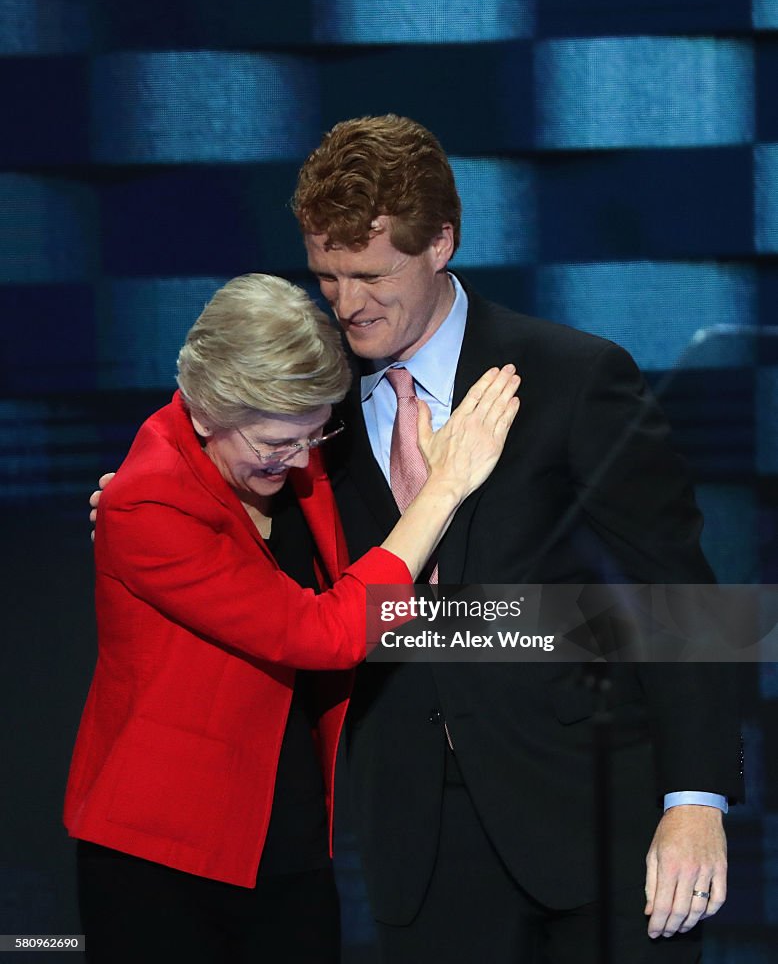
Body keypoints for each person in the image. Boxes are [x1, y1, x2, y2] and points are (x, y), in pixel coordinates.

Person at [288, 115, 743, 963]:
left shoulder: (573, 378)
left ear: (441, 243)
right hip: (418, 843)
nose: (347, 304)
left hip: (595, 822)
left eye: (370, 274)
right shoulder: (310, 407)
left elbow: (681, 595)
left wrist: (695, 799)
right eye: (326, 276)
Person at [66, 271, 520, 964]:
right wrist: (447, 487)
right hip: (164, 849)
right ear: (205, 410)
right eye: (275, 444)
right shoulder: (146, 504)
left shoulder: (292, 454)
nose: (299, 459)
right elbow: (323, 633)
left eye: (313, 434)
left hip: (288, 833)